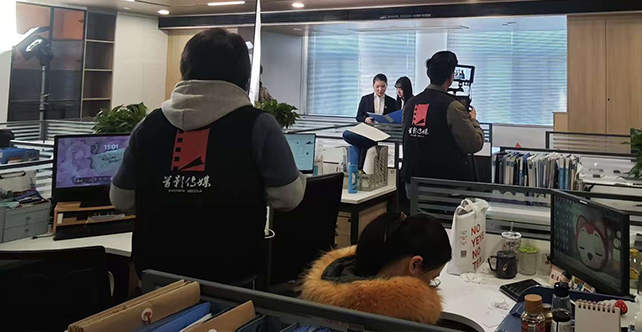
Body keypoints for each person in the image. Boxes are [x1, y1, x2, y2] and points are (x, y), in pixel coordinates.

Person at [110, 28, 306, 283]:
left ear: (184, 69)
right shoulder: (258, 125)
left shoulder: (149, 125)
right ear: (244, 76)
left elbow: (121, 198)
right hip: (231, 276)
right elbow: (288, 197)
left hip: (156, 275)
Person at [301, 212, 450, 324]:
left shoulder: (334, 279)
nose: (430, 286)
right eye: (430, 279)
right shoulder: (396, 320)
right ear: (414, 264)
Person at [401, 51, 484, 190]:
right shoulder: (452, 106)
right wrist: (473, 120)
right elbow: (474, 144)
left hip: (413, 183)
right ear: (451, 78)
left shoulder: (411, 103)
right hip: (443, 185)